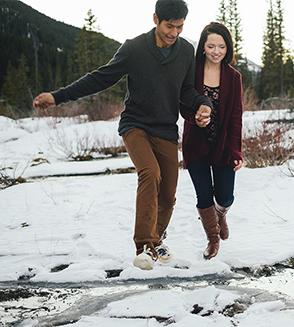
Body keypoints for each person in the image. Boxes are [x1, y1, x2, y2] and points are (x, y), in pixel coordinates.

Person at [33, 0, 212, 270]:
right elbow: (100, 78)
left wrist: (203, 104)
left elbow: (186, 92)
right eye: (169, 26)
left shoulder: (187, 51)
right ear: (155, 19)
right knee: (150, 173)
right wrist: (57, 97)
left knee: (168, 193)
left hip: (165, 129)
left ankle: (156, 240)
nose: (174, 32)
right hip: (135, 125)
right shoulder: (135, 48)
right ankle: (144, 245)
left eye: (180, 26)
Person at [182, 22, 243, 259]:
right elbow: (183, 104)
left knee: (225, 196)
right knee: (204, 195)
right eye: (211, 46)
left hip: (224, 145)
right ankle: (212, 239)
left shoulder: (233, 77)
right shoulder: (192, 71)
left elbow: (236, 116)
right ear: (203, 47)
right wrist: (194, 117)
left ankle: (221, 215)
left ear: (228, 47)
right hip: (195, 145)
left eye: (221, 46)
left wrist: (236, 151)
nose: (216, 51)